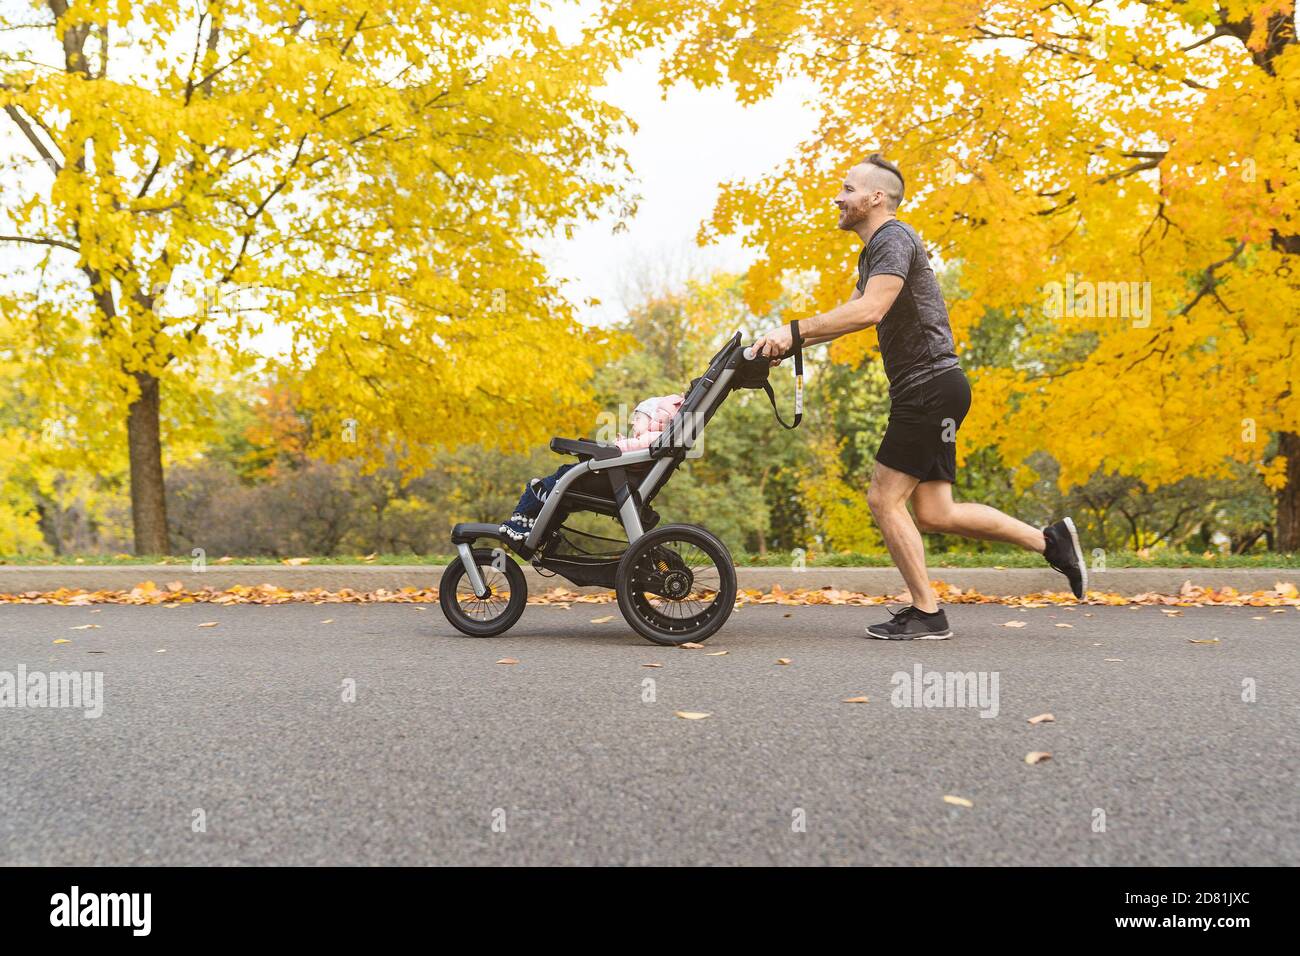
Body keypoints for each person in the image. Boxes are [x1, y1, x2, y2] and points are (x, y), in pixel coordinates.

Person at [753, 154, 1086, 640]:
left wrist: (794, 330)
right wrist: (789, 343)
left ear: (875, 198)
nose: (838, 198)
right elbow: (855, 311)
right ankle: (1050, 540)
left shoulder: (893, 237)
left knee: (884, 499)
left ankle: (927, 613)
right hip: (938, 386)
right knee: (935, 512)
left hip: (928, 387)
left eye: (847, 189)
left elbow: (871, 309)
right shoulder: (874, 252)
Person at [499, 394, 683, 546]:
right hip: (623, 479)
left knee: (565, 474)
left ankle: (541, 500)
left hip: (618, 482)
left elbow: (628, 449)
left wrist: (616, 445)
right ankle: (541, 520)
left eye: (637, 418)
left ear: (654, 419)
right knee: (566, 476)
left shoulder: (653, 437)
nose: (632, 422)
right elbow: (632, 448)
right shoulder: (657, 439)